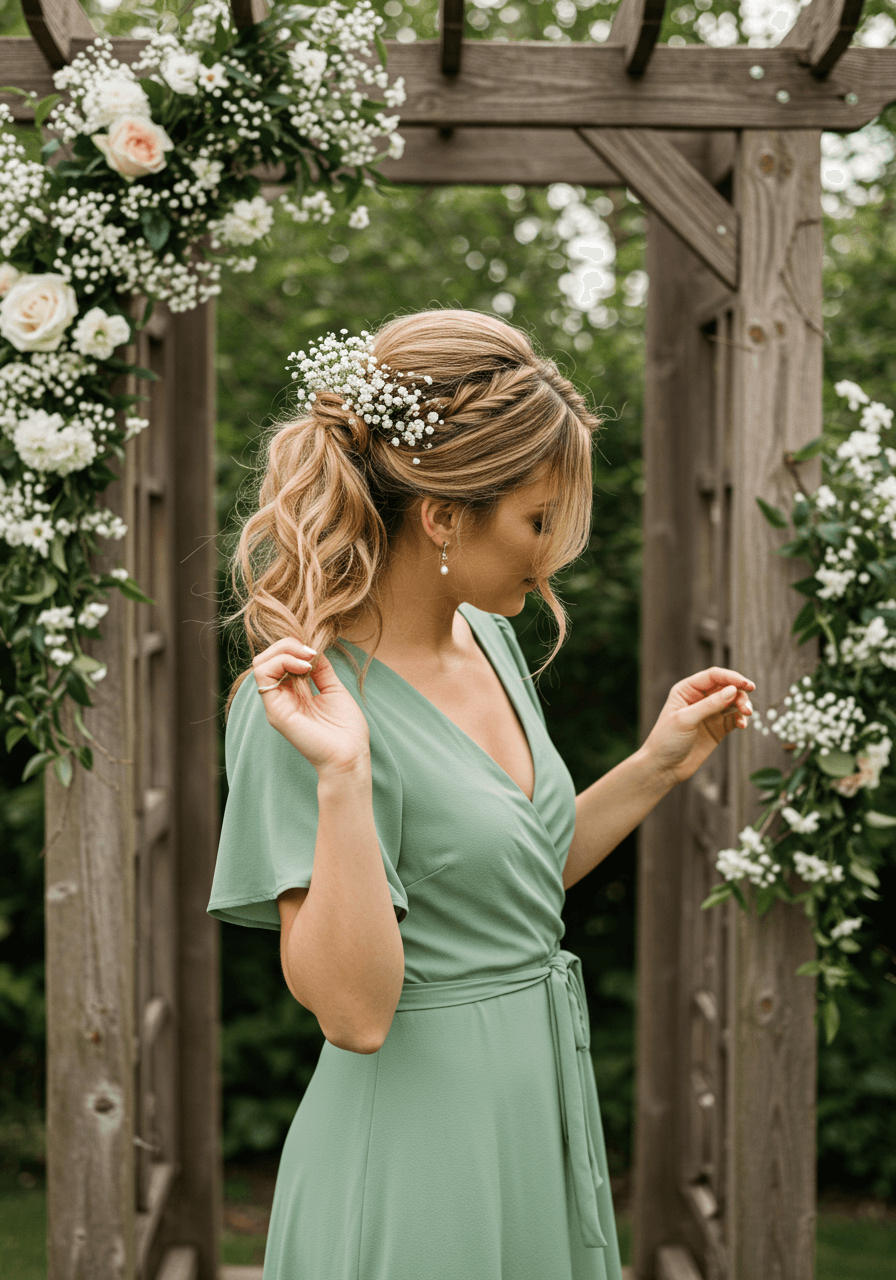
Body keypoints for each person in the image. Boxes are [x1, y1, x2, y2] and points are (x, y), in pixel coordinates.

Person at [208, 309, 755, 1280]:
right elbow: (353, 1011)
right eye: (536, 519)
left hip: (532, 1098)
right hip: (416, 1146)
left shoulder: (488, 640)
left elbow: (511, 881)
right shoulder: (301, 704)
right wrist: (341, 776)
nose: (552, 551)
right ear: (444, 514)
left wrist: (655, 764)